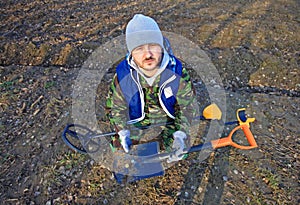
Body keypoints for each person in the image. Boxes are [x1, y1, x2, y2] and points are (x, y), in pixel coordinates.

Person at [106, 14, 197, 163]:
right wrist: (122, 132)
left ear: (161, 46)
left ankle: (169, 140)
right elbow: (114, 108)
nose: (148, 54)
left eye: (153, 46)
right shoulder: (123, 76)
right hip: (137, 120)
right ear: (131, 53)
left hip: (169, 120)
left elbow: (188, 106)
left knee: (181, 149)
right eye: (139, 49)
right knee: (121, 151)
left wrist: (181, 134)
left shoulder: (176, 72)